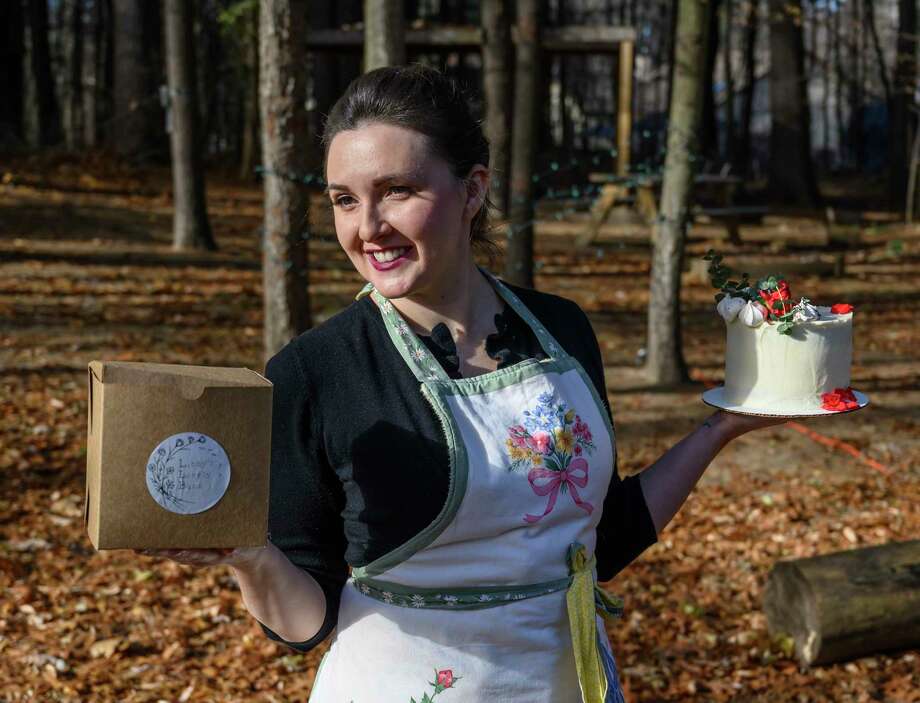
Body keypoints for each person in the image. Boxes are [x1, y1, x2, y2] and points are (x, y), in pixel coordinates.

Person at [139, 65, 782, 702]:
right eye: (344, 199)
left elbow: (601, 537)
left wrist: (724, 424)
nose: (367, 227)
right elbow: (307, 621)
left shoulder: (561, 329)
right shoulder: (315, 372)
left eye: (396, 191)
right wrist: (249, 557)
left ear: (472, 190)